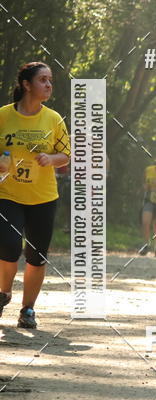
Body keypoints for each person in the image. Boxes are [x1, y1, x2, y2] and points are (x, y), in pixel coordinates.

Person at [0, 62, 70, 328]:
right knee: (8, 244)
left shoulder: (54, 119)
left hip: (43, 197)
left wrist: (50, 158)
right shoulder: (4, 115)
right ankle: (3, 293)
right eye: (43, 80)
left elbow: (66, 154)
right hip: (8, 193)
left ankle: (27, 309)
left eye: (50, 80)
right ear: (26, 84)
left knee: (36, 255)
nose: (49, 85)